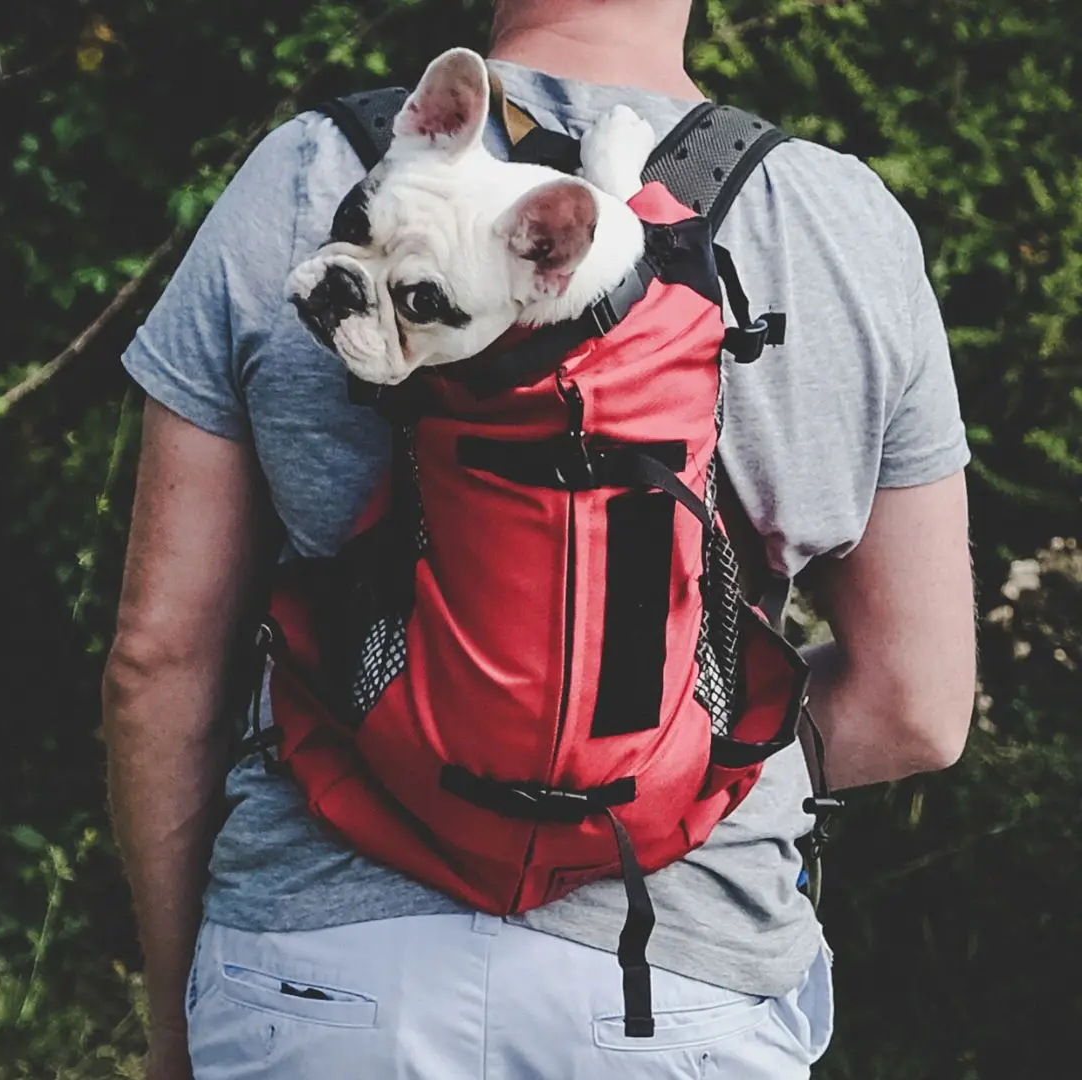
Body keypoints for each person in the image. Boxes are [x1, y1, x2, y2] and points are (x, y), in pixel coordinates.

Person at [100, 1, 977, 1077]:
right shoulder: (841, 221)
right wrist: (670, 768)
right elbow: (918, 706)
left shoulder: (309, 167)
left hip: (318, 971)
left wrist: (175, 1023)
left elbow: (159, 657)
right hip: (678, 984)